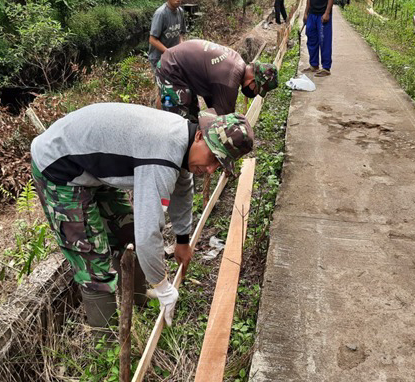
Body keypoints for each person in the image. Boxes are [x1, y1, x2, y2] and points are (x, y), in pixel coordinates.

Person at [31, 103, 254, 334]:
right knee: (92, 262)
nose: (210, 170)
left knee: (127, 235)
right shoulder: (163, 154)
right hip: (58, 168)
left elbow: (183, 188)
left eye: (219, 164)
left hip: (90, 166)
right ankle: (106, 345)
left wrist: (182, 239)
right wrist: (164, 286)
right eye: (213, 157)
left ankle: (138, 302)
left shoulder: (183, 139)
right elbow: (148, 234)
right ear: (199, 136)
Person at [155, 39, 278, 122]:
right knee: (178, 120)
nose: (254, 93)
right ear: (253, 80)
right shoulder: (230, 79)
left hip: (182, 69)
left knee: (192, 118)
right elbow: (224, 122)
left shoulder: (238, 62)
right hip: (171, 69)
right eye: (257, 90)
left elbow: (214, 100)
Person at [303, 0, 338, 77]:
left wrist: (327, 13)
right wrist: (306, 12)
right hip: (312, 13)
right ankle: (314, 64)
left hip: (322, 13)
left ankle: (326, 67)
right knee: (311, 38)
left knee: (324, 40)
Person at [148, 0, 187, 73]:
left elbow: (180, 34)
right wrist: (169, 53)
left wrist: (181, 47)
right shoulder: (161, 14)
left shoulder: (180, 11)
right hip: (158, 59)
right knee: (163, 85)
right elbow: (152, 40)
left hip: (173, 58)